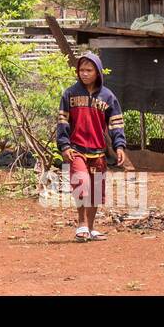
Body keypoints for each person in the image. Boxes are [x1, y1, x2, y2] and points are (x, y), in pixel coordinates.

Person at [55, 52, 127, 242]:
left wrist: (119, 146)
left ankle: (91, 227)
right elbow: (62, 122)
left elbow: (116, 123)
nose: (84, 74)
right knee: (82, 185)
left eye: (89, 70)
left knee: (96, 192)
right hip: (76, 149)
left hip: (98, 151)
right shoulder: (70, 94)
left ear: (98, 72)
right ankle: (81, 224)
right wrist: (64, 145)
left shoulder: (107, 96)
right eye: (81, 70)